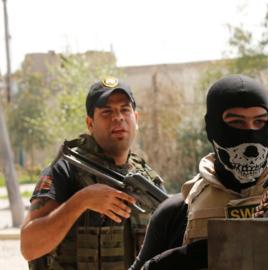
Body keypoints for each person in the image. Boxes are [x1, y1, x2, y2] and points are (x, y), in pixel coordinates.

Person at [130, 74, 268, 269]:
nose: (250, 133)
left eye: (259, 122)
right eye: (236, 122)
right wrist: (184, 258)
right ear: (211, 128)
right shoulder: (174, 213)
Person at [20, 76, 167, 270]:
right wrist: (82, 201)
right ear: (90, 123)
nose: (118, 117)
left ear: (136, 118)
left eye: (125, 109)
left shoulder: (149, 182)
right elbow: (29, 246)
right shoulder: (66, 169)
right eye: (107, 112)